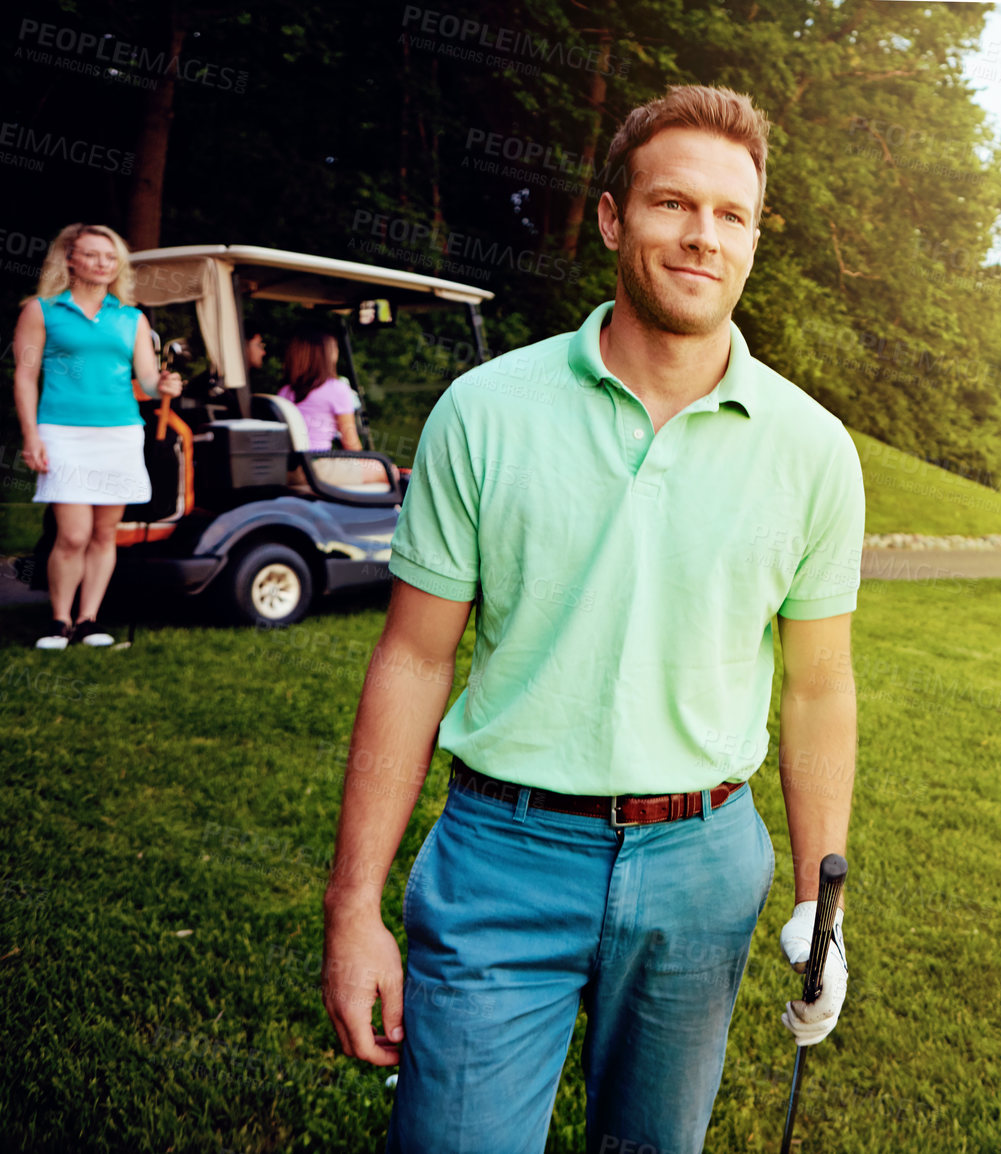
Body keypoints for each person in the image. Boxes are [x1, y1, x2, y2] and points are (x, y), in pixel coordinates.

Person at [321, 85, 863, 1154]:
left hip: (703, 862)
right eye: (673, 204)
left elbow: (816, 684)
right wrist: (354, 905)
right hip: (499, 852)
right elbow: (415, 659)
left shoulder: (814, 450)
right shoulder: (486, 411)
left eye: (732, 214)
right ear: (615, 219)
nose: (703, 236)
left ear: (753, 235)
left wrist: (818, 903)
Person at [12, 223, 182, 649]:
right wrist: (31, 436)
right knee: (72, 534)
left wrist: (162, 385)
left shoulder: (131, 317)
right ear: (69, 258)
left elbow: (143, 377)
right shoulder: (41, 309)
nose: (103, 264)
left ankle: (88, 620)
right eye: (92, 255)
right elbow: (26, 377)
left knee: (105, 534)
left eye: (110, 257)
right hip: (62, 432)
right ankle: (59, 621)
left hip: (121, 432)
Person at [277, 326, 363, 451]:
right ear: (327, 355)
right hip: (317, 462)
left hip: (289, 464)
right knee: (386, 467)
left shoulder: (285, 391)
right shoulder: (337, 389)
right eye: (334, 348)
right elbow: (351, 443)